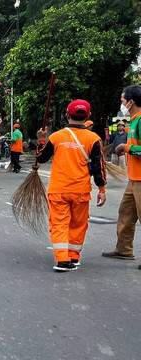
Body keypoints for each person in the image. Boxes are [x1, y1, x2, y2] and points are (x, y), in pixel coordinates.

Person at [35, 99, 107, 272]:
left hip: (58, 190)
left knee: (59, 224)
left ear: (67, 115)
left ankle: (62, 259)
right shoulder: (94, 138)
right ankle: (74, 258)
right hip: (80, 191)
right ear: (88, 116)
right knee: (78, 224)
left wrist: (41, 139)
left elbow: (41, 157)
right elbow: (99, 168)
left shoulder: (56, 137)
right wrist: (102, 190)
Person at [102, 85, 141, 265]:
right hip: (133, 179)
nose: (122, 104)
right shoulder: (132, 121)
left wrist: (127, 148)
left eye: (123, 100)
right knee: (125, 214)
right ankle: (124, 250)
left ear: (131, 102)